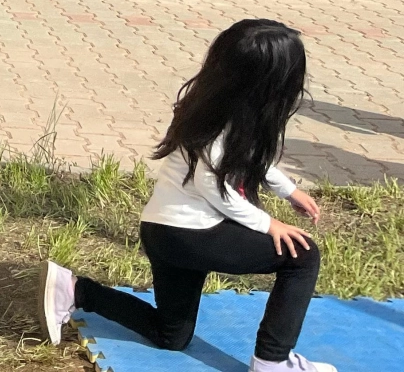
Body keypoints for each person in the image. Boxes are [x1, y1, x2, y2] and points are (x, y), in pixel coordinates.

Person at [42, 20, 333, 372]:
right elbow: (216, 189)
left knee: (171, 334)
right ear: (266, 83)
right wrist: (269, 224)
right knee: (302, 255)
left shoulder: (223, 110)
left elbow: (250, 161)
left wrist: (289, 191)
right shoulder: (216, 126)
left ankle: (75, 290)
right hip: (190, 234)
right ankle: (272, 361)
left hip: (168, 232)